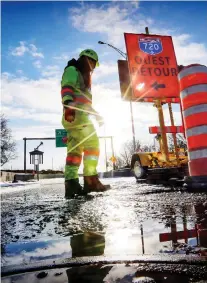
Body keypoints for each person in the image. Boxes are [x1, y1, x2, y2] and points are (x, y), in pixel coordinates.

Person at [61, 49, 110, 198]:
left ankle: (71, 184)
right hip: (77, 116)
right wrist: (68, 105)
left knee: (74, 152)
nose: (93, 68)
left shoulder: (82, 77)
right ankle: (91, 181)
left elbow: (85, 102)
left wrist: (97, 115)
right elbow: (66, 87)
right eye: (93, 63)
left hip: (75, 116)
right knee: (93, 146)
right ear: (87, 60)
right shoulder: (72, 70)